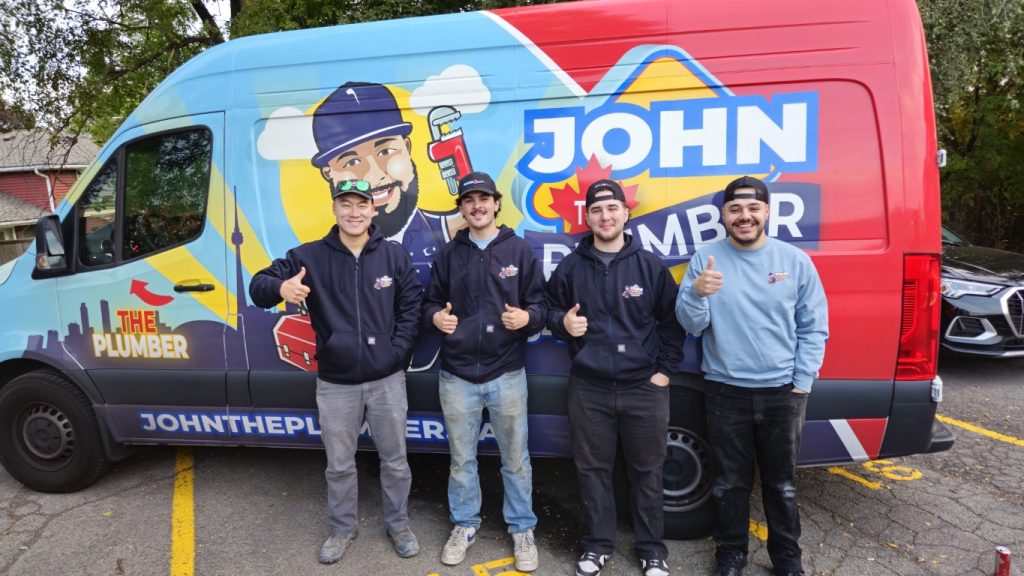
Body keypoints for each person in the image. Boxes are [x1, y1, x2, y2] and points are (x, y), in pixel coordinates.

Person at [248, 178, 422, 565]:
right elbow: (257, 284)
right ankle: (343, 529)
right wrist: (280, 289)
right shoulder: (308, 257)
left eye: (361, 205)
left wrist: (395, 353)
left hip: (386, 380)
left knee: (395, 460)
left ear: (373, 209)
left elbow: (412, 308)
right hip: (336, 383)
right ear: (334, 208)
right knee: (340, 465)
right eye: (346, 204)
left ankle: (399, 525)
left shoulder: (393, 256)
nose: (354, 212)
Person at [675, 175, 828, 576]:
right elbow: (691, 325)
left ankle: (787, 559)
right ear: (724, 215)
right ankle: (731, 555)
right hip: (725, 391)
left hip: (782, 392)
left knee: (783, 485)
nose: (744, 216)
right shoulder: (706, 260)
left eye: (753, 208)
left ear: (767, 212)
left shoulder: (794, 261)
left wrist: (802, 382)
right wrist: (697, 293)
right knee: (729, 484)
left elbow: (814, 326)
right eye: (735, 209)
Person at [546, 179, 683, 576]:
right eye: (597, 210)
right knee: (592, 472)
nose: (605, 216)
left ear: (625, 213)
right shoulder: (571, 267)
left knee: (647, 472)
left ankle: (652, 550)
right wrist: (562, 323)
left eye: (612, 209)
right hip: (589, 388)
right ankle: (597, 545)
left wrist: (663, 372)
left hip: (644, 388)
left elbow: (673, 323)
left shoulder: (650, 266)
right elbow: (548, 310)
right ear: (587, 218)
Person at [423, 171, 547, 572]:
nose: (476, 206)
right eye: (468, 200)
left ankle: (522, 528)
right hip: (457, 374)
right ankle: (464, 525)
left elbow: (541, 306)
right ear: (461, 208)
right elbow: (429, 303)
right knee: (462, 460)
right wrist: (435, 318)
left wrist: (527, 317)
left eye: (483, 199)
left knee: (516, 459)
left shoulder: (520, 251)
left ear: (496, 203)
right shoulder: (449, 254)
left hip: (506, 372)